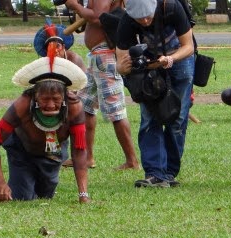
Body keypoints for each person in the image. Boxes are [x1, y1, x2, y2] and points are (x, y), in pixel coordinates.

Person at [0, 55, 91, 203]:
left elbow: (79, 150)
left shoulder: (74, 108)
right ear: (35, 96)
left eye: (56, 99)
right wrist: (0, 183)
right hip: (22, 152)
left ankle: (42, 180)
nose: (50, 105)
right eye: (45, 99)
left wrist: (83, 194)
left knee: (44, 196)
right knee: (22, 197)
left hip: (53, 154)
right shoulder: (22, 105)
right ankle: (22, 180)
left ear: (64, 96)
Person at [115, 0, 195, 187]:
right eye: (139, 17)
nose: (144, 20)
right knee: (149, 119)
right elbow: (120, 62)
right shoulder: (127, 21)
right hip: (148, 68)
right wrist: (123, 67)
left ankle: (169, 173)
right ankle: (154, 173)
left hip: (180, 61)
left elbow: (188, 46)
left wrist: (171, 59)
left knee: (177, 118)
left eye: (148, 15)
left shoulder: (172, 7)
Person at [63, 0, 140, 170]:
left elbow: (99, 17)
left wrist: (75, 6)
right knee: (85, 107)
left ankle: (132, 161)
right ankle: (87, 157)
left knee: (115, 110)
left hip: (105, 57)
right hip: (97, 56)